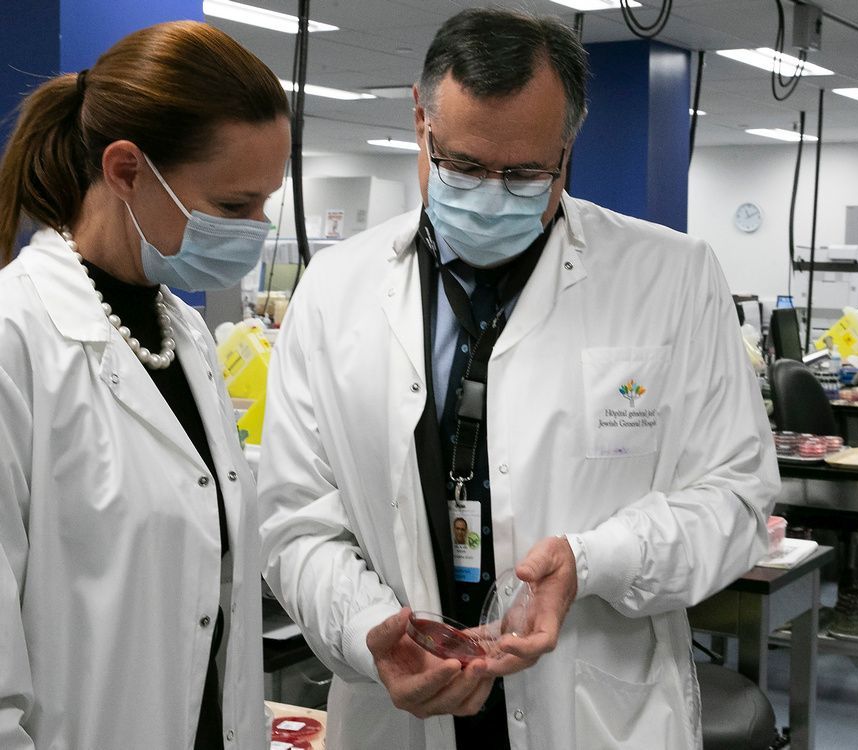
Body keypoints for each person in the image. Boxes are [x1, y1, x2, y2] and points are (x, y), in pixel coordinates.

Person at [258, 7, 778, 750]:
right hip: (401, 708)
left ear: (567, 149)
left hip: (594, 707)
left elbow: (736, 501)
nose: (493, 193)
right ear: (420, 119)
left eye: (528, 172)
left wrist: (597, 560)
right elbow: (297, 521)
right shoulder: (334, 288)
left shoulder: (672, 278)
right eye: (463, 166)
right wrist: (370, 628)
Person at [0, 21, 290, 750]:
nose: (255, 229)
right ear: (126, 169)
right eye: (232, 206)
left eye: (265, 203)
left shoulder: (183, 336)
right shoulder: (17, 338)